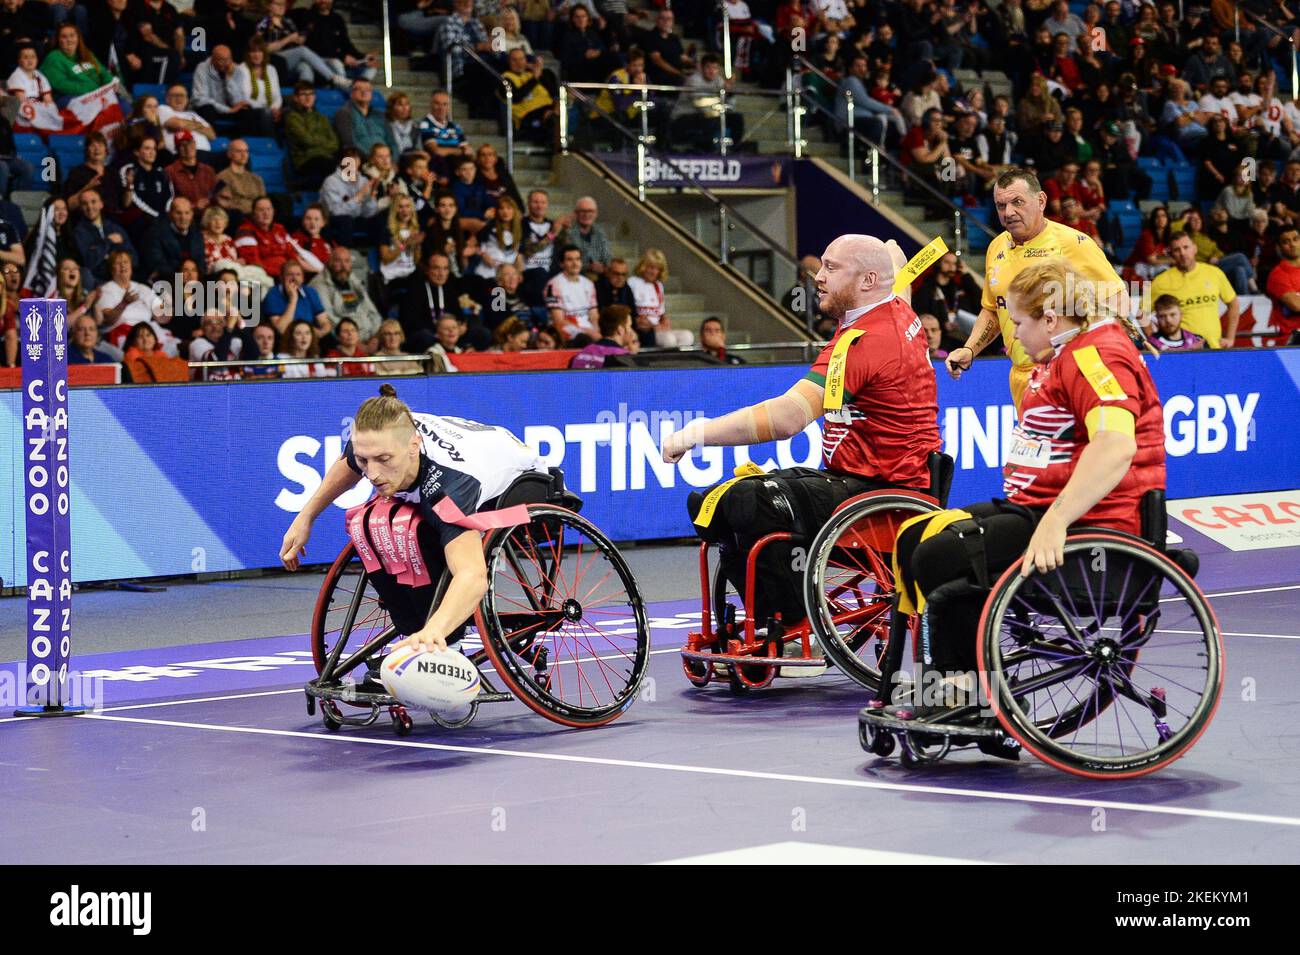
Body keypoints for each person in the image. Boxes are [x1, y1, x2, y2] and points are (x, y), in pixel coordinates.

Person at [888, 258, 1165, 722]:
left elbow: (1116, 445)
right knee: (918, 534)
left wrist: (1056, 521)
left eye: (1018, 323)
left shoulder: (1095, 355)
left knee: (937, 557)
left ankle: (960, 690)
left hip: (1087, 526)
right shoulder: (1065, 352)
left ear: (1051, 319)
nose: (1013, 336)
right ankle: (963, 684)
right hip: (1037, 508)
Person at [661, 234, 940, 633]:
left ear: (866, 282)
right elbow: (896, 269)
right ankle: (771, 612)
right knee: (706, 501)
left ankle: (793, 625)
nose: (818, 277)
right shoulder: (898, 309)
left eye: (831, 268)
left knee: (748, 501)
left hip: (880, 494)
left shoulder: (864, 343)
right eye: (820, 264)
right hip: (868, 480)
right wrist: (887, 247)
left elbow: (787, 418)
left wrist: (695, 434)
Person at [280, 384, 546, 651]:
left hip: (523, 483)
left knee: (414, 530)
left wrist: (434, 631)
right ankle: (410, 630)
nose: (371, 474)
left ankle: (446, 647)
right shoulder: (375, 438)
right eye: (365, 460)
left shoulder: (450, 486)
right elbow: (348, 464)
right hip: (457, 455)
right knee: (369, 523)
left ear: (413, 446)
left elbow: (472, 575)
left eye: (383, 459)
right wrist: (305, 517)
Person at [946, 167, 1127, 412]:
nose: (1009, 212)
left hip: (1065, 374)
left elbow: (1118, 302)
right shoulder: (996, 247)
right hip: (1020, 378)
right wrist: (970, 349)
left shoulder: (1074, 244)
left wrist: (1089, 360)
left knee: (1069, 447)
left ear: (1041, 201)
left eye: (1017, 202)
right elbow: (993, 310)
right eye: (1001, 205)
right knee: (1033, 448)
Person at [1149, 230, 1239, 349]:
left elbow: (1233, 303)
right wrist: (1157, 343)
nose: (1182, 253)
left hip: (1214, 349)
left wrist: (1230, 338)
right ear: (1171, 254)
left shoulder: (1215, 272)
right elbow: (1141, 313)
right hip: (1180, 355)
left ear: (1195, 248)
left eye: (1186, 247)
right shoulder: (1159, 280)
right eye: (1177, 250)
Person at [311, 244, 384, 346]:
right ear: (330, 262)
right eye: (338, 261)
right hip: (345, 343)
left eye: (347, 261)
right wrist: (357, 344)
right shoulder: (318, 285)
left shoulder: (352, 280)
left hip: (370, 339)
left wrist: (376, 338)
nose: (344, 266)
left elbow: (373, 312)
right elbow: (330, 321)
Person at [71, 187, 135, 282]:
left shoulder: (115, 227)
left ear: (101, 204)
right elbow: (89, 262)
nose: (89, 207)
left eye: (93, 202)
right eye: (85, 204)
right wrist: (108, 242)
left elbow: (134, 257)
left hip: (123, 278)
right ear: (80, 208)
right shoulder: (79, 232)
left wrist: (108, 256)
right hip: (98, 282)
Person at [285, 82, 341, 183]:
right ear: (295, 98)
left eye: (311, 94)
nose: (308, 98)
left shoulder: (321, 117)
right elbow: (307, 141)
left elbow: (335, 143)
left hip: (325, 157)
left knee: (350, 162)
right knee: (331, 167)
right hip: (305, 160)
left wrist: (316, 140)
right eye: (303, 94)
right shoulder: (292, 118)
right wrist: (324, 141)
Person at [140, 195, 204, 281]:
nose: (183, 218)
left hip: (193, 281)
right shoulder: (155, 233)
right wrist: (182, 274)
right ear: (170, 214)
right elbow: (156, 264)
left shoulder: (197, 234)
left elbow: (201, 263)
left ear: (192, 214)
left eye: (187, 213)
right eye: (178, 213)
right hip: (167, 281)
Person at [544, 245, 598, 340]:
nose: (575, 263)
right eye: (570, 260)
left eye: (577, 259)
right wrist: (588, 332)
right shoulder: (553, 285)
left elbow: (594, 316)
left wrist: (597, 331)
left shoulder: (589, 284)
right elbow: (558, 320)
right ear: (562, 264)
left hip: (589, 331)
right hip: (566, 330)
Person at [570, 304, 636, 369]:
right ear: (620, 330)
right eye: (629, 326)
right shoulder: (622, 358)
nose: (631, 331)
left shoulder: (581, 354)